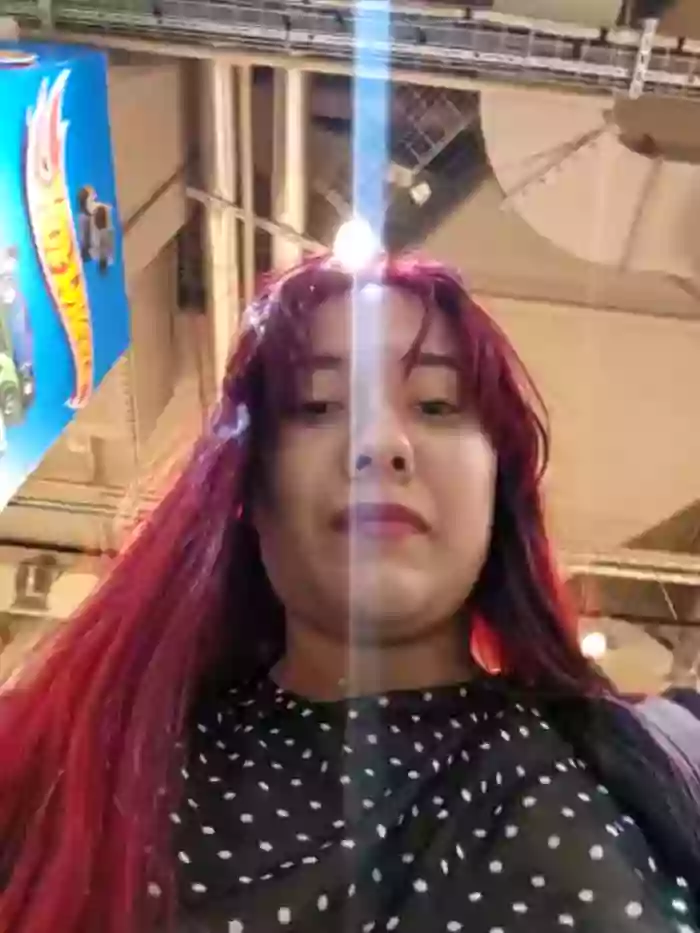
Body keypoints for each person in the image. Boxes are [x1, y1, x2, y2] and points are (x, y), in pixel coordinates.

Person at [0, 253, 699, 933]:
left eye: (436, 404)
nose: (380, 443)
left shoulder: (641, 764)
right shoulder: (78, 767)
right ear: (248, 491)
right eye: (318, 405)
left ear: (500, 487)